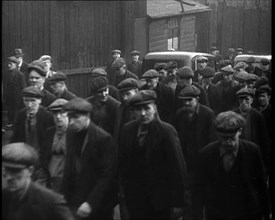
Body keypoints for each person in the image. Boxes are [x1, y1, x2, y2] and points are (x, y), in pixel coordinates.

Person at [119, 90, 186, 219]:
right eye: (138, 109)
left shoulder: (166, 132)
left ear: (154, 109)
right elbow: (123, 164)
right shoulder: (127, 130)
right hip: (136, 199)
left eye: (147, 108)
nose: (143, 113)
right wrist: (124, 193)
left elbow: (178, 168)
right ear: (133, 112)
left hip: (160, 201)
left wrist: (179, 203)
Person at [193, 111, 271, 220]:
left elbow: (261, 185)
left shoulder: (252, 151)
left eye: (232, 137)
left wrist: (266, 215)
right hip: (217, 214)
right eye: (224, 138)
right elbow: (198, 189)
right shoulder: (206, 154)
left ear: (240, 131)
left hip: (248, 213)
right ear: (218, 134)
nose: (229, 143)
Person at [62, 97, 117, 220]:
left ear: (87, 116)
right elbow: (69, 166)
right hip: (76, 199)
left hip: (99, 204)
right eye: (69, 118)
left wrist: (90, 203)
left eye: (75, 117)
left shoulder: (103, 139)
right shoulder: (70, 133)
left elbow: (107, 176)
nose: (71, 122)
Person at [2, 142, 75, 220]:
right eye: (6, 170)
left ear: (30, 171)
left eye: (15, 171)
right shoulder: (5, 196)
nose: (9, 177)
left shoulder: (51, 202)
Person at [173, 85, 215, 219]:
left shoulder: (208, 114)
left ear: (197, 99)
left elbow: (212, 140)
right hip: (185, 164)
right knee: (187, 199)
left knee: (201, 198)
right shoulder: (179, 114)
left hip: (202, 163)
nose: (186, 103)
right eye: (184, 100)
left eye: (189, 100)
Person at [11, 86, 55, 186]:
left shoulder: (48, 117)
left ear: (40, 101)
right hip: (24, 162)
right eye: (26, 100)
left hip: (42, 164)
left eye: (33, 101)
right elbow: (15, 138)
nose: (30, 105)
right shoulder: (20, 115)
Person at [233, 87, 270, 173]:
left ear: (252, 100)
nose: (243, 103)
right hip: (237, 152)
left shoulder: (258, 116)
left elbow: (263, 139)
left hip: (252, 152)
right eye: (241, 100)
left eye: (246, 100)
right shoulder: (234, 114)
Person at [43, 98, 69, 192]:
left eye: (62, 112)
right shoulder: (49, 133)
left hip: (69, 182)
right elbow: (43, 157)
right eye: (55, 113)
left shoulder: (74, 134)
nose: (58, 117)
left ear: (68, 114)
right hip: (51, 181)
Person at [3, 56, 26, 127]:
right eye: (8, 64)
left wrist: (22, 97)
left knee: (16, 111)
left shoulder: (20, 75)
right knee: (10, 110)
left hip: (17, 97)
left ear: (15, 65)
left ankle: (15, 124)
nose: (9, 65)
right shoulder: (6, 74)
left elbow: (23, 87)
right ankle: (10, 122)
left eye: (11, 64)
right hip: (9, 96)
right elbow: (5, 86)